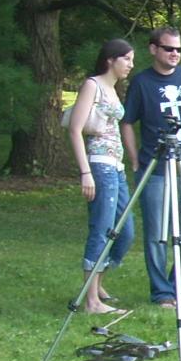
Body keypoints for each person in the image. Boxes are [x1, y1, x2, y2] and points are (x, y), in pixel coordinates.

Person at [121, 25, 181, 307]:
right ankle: (161, 293)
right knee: (156, 236)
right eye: (169, 48)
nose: (175, 54)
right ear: (153, 49)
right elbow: (127, 122)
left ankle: (180, 288)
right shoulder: (141, 82)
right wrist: (134, 159)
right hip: (155, 170)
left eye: (178, 49)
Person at [67, 39, 136, 313]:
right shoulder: (92, 85)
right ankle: (91, 301)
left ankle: (97, 284)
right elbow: (75, 129)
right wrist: (86, 172)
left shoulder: (113, 89)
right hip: (99, 166)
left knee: (125, 231)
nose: (131, 64)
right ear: (110, 59)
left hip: (116, 168)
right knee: (102, 230)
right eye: (126, 59)